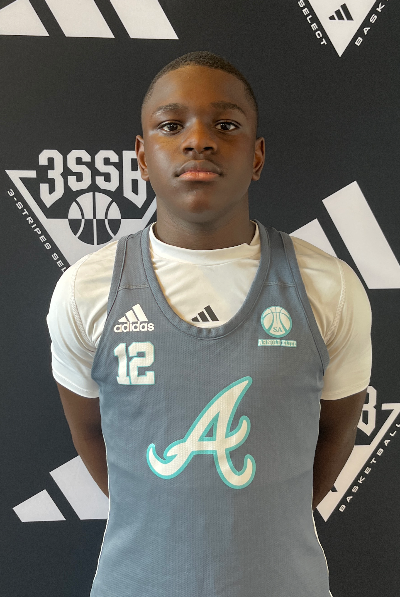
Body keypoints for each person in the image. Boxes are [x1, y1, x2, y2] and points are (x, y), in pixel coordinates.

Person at [47, 51, 372, 597]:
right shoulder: (86, 290)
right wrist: (162, 516)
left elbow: (337, 429)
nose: (198, 141)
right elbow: (89, 431)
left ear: (257, 156)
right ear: (142, 156)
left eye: (225, 125)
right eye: (171, 126)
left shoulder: (328, 287)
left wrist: (265, 522)